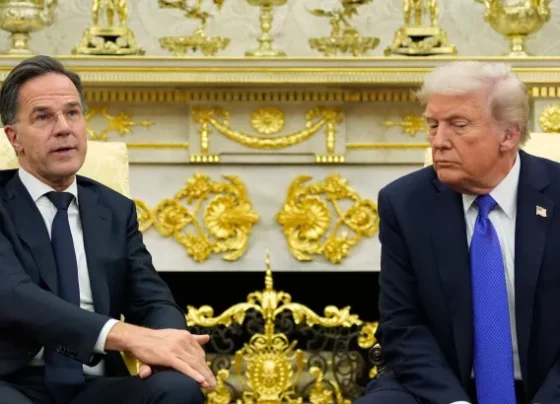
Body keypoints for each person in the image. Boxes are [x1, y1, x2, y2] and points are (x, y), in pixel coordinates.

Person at [0, 55, 216, 404]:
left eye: (72, 113)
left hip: (96, 384)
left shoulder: (114, 209)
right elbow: (15, 296)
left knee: (178, 389)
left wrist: (170, 345)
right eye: (43, 117)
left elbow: (151, 298)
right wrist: (129, 337)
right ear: (14, 138)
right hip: (13, 381)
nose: (64, 128)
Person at [356, 61, 560, 404]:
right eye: (433, 125)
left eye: (458, 125)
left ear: (508, 135)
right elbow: (402, 325)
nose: (439, 142)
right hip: (441, 386)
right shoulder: (404, 204)